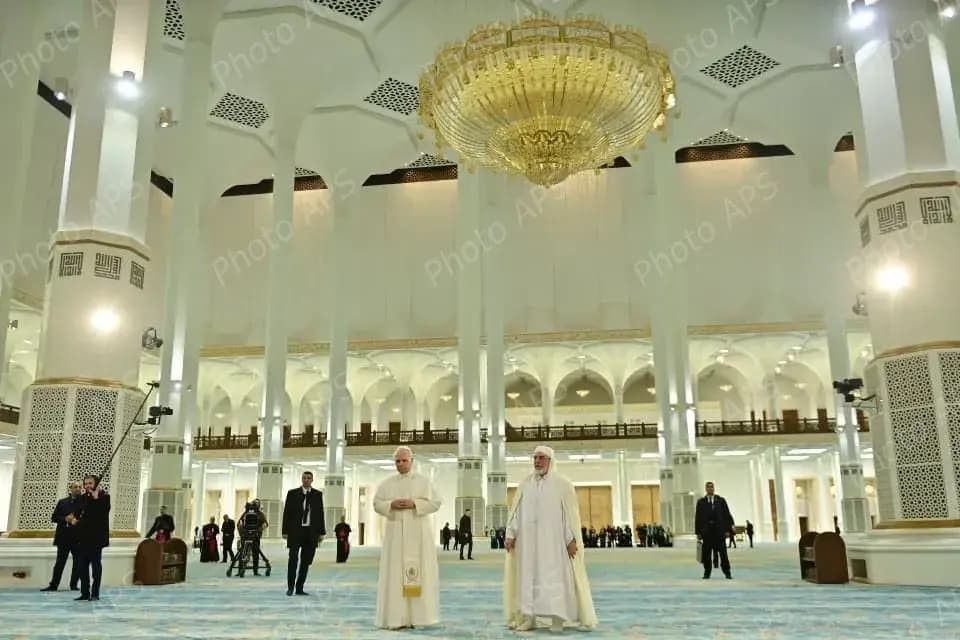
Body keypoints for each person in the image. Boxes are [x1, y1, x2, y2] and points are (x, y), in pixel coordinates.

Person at [504, 445, 597, 632]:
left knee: (554, 578)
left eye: (541, 458)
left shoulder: (562, 484)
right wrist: (510, 534)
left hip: (554, 545)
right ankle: (528, 618)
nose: (537, 461)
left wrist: (570, 539)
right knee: (527, 579)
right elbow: (516, 512)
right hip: (528, 544)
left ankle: (557, 618)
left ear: (550, 461)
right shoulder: (525, 484)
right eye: (535, 458)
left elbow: (568, 516)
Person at [373, 446, 441, 630]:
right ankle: (397, 617)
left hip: (419, 534)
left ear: (412, 461)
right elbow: (377, 503)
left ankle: (420, 618)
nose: (401, 464)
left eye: (404, 460)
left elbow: (436, 503)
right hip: (395, 535)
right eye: (397, 461)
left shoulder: (423, 482)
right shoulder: (387, 483)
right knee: (395, 574)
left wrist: (415, 503)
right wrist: (391, 504)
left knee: (420, 572)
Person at [281, 471, 325, 596]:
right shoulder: (292, 494)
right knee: (293, 559)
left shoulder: (317, 495)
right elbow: (287, 513)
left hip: (310, 532)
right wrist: (285, 531)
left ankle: (299, 587)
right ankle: (290, 587)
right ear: (301, 479)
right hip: (295, 531)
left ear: (312, 480)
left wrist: (321, 532)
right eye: (304, 478)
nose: (306, 480)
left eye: (308, 478)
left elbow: (320, 514)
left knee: (306, 561)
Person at [71, 474, 110, 601]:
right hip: (82, 537)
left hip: (96, 539)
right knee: (82, 567)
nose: (88, 486)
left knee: (95, 567)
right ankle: (84, 593)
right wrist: (74, 520)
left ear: (96, 485)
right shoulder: (82, 498)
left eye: (90, 483)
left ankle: (95, 593)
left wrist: (96, 498)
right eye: (86, 484)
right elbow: (77, 514)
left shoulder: (104, 497)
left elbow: (103, 513)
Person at [42, 482, 83, 592]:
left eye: (80, 487)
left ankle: (74, 585)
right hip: (63, 538)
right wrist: (65, 519)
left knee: (78, 562)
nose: (78, 489)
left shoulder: (84, 503)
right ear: (71, 489)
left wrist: (77, 522)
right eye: (75, 487)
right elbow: (54, 517)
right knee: (60, 562)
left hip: (78, 538)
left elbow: (87, 520)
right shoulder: (62, 502)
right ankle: (53, 585)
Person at [695, 481, 734, 580]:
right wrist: (698, 532)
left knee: (723, 554)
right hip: (707, 533)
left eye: (711, 487)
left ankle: (727, 572)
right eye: (708, 487)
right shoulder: (701, 502)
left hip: (719, 532)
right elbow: (697, 518)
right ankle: (707, 572)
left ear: (714, 488)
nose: (710, 489)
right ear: (706, 489)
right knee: (707, 555)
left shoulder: (720, 501)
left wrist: (728, 530)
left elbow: (726, 516)